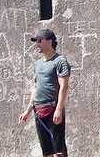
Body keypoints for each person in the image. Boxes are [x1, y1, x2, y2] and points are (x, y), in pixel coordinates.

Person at [19, 28, 71, 157]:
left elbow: (63, 87)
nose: (37, 44)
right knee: (47, 151)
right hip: (39, 110)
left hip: (53, 109)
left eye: (40, 41)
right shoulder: (37, 64)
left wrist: (59, 110)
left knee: (58, 150)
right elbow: (35, 88)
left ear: (49, 42)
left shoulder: (60, 61)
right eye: (36, 41)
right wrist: (28, 110)